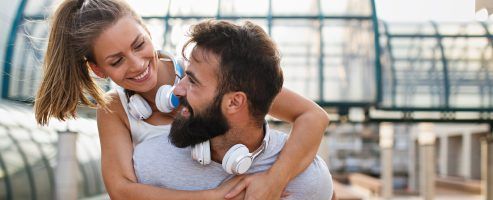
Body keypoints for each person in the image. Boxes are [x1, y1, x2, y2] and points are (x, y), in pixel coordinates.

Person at [34, 0, 330, 199]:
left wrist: (274, 180)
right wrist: (207, 198)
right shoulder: (115, 111)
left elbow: (313, 117)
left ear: (148, 32)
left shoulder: (206, 72)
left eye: (139, 45)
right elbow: (122, 190)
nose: (137, 64)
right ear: (98, 69)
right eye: (117, 61)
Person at [133, 19, 334, 200]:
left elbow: (315, 116)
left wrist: (275, 180)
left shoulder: (310, 183)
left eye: (193, 81)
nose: (177, 89)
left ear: (235, 102)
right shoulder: (149, 164)